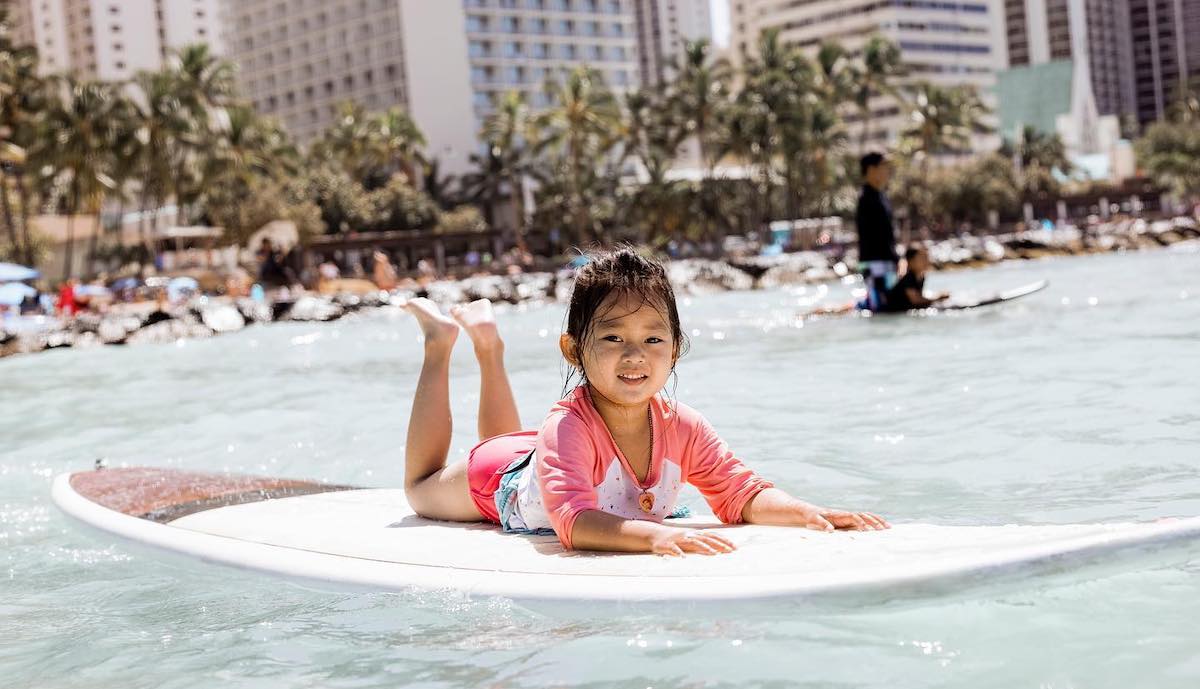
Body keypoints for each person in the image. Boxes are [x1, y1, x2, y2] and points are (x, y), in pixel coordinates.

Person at [400, 248, 888, 556]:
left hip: (547, 456)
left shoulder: (684, 427)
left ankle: (488, 345)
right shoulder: (566, 428)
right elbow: (572, 522)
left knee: (505, 438)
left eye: (653, 340)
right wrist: (655, 536)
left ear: (675, 348)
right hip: (500, 479)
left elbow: (740, 494)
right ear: (574, 349)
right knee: (421, 489)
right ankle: (439, 343)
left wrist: (805, 511)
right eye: (612, 337)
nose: (635, 355)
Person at [855, 152, 899, 311]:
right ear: (871, 170)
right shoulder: (866, 198)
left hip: (887, 261)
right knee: (880, 308)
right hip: (874, 263)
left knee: (889, 304)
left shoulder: (881, 196)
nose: (887, 171)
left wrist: (895, 257)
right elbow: (871, 235)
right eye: (883, 167)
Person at [879, 245, 948, 312]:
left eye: (927, 257)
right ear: (911, 262)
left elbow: (919, 299)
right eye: (922, 258)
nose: (926, 261)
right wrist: (938, 298)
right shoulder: (908, 278)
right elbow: (915, 301)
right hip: (892, 312)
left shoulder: (921, 277)